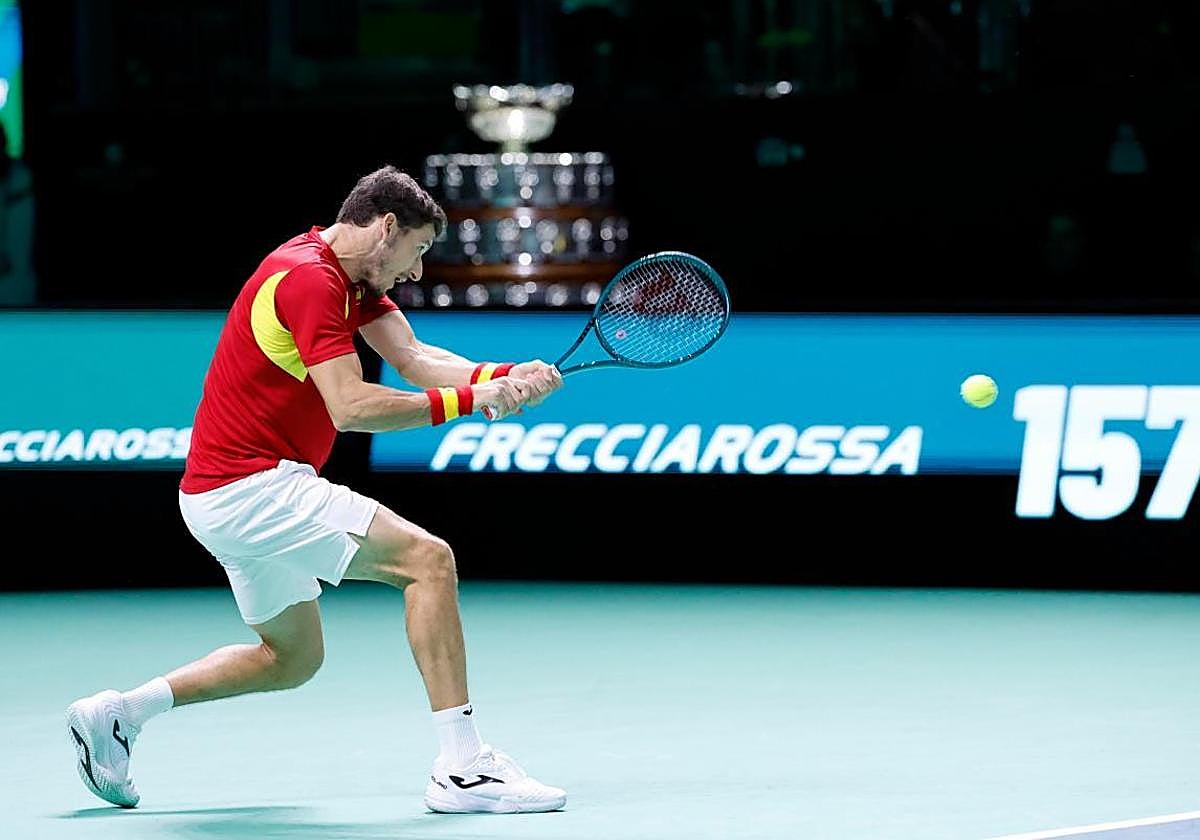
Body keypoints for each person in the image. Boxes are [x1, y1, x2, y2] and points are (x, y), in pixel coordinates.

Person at [65, 166, 566, 814]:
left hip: (219, 495)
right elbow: (350, 406)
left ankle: (120, 715)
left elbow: (413, 357)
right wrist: (473, 401)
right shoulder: (308, 281)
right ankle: (463, 768)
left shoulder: (348, 275)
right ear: (386, 229)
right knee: (428, 562)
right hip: (252, 486)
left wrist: (504, 375)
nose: (414, 273)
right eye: (415, 252)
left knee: (291, 659)